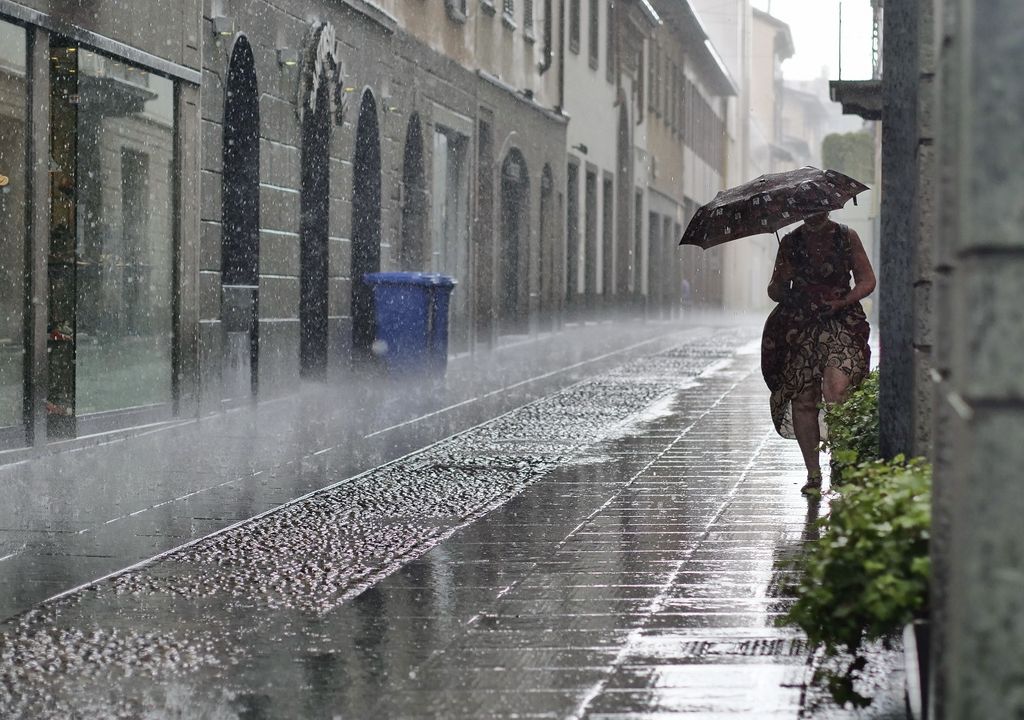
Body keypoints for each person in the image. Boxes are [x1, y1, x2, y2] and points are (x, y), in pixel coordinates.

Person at [761, 211, 876, 493]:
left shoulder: (846, 236)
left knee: (837, 390)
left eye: (818, 207)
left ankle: (840, 463)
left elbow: (867, 280)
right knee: (803, 398)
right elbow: (775, 291)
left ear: (828, 207)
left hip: (840, 323)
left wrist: (843, 301)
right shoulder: (789, 242)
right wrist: (782, 280)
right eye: (807, 208)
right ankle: (813, 474)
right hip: (799, 327)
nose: (813, 213)